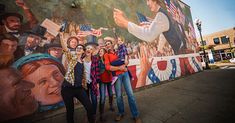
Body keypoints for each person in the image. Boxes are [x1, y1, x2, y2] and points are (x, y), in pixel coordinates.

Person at [113, 0, 187, 55]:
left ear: (155, 1)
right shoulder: (163, 14)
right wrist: (159, 50)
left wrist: (125, 23)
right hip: (181, 53)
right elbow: (163, 34)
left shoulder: (161, 15)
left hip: (181, 54)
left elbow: (149, 35)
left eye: (148, 0)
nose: (147, 4)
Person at [103, 38, 141, 123]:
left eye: (108, 43)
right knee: (119, 96)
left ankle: (136, 115)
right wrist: (120, 68)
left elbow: (126, 59)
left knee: (130, 94)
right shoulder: (106, 55)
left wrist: (126, 63)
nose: (107, 45)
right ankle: (121, 112)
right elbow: (108, 67)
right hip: (116, 76)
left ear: (112, 44)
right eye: (106, 44)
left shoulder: (119, 51)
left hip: (125, 74)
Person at [60, 35, 95, 123]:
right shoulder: (72, 58)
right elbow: (65, 48)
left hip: (79, 88)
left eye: (80, 48)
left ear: (83, 51)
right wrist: (61, 35)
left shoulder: (83, 62)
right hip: (67, 88)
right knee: (70, 111)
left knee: (89, 107)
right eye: (77, 48)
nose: (78, 48)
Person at [98, 48, 115, 122]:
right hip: (102, 81)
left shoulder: (108, 59)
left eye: (101, 51)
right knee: (102, 97)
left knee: (111, 94)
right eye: (99, 52)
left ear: (105, 53)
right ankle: (101, 115)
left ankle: (111, 105)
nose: (100, 52)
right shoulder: (97, 60)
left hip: (109, 79)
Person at [83, 43, 99, 116]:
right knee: (86, 100)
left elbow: (97, 71)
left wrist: (97, 83)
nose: (89, 49)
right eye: (87, 48)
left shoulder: (95, 59)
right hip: (84, 83)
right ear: (85, 50)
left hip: (93, 82)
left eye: (90, 49)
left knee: (94, 99)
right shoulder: (81, 59)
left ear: (92, 51)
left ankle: (94, 114)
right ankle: (89, 113)